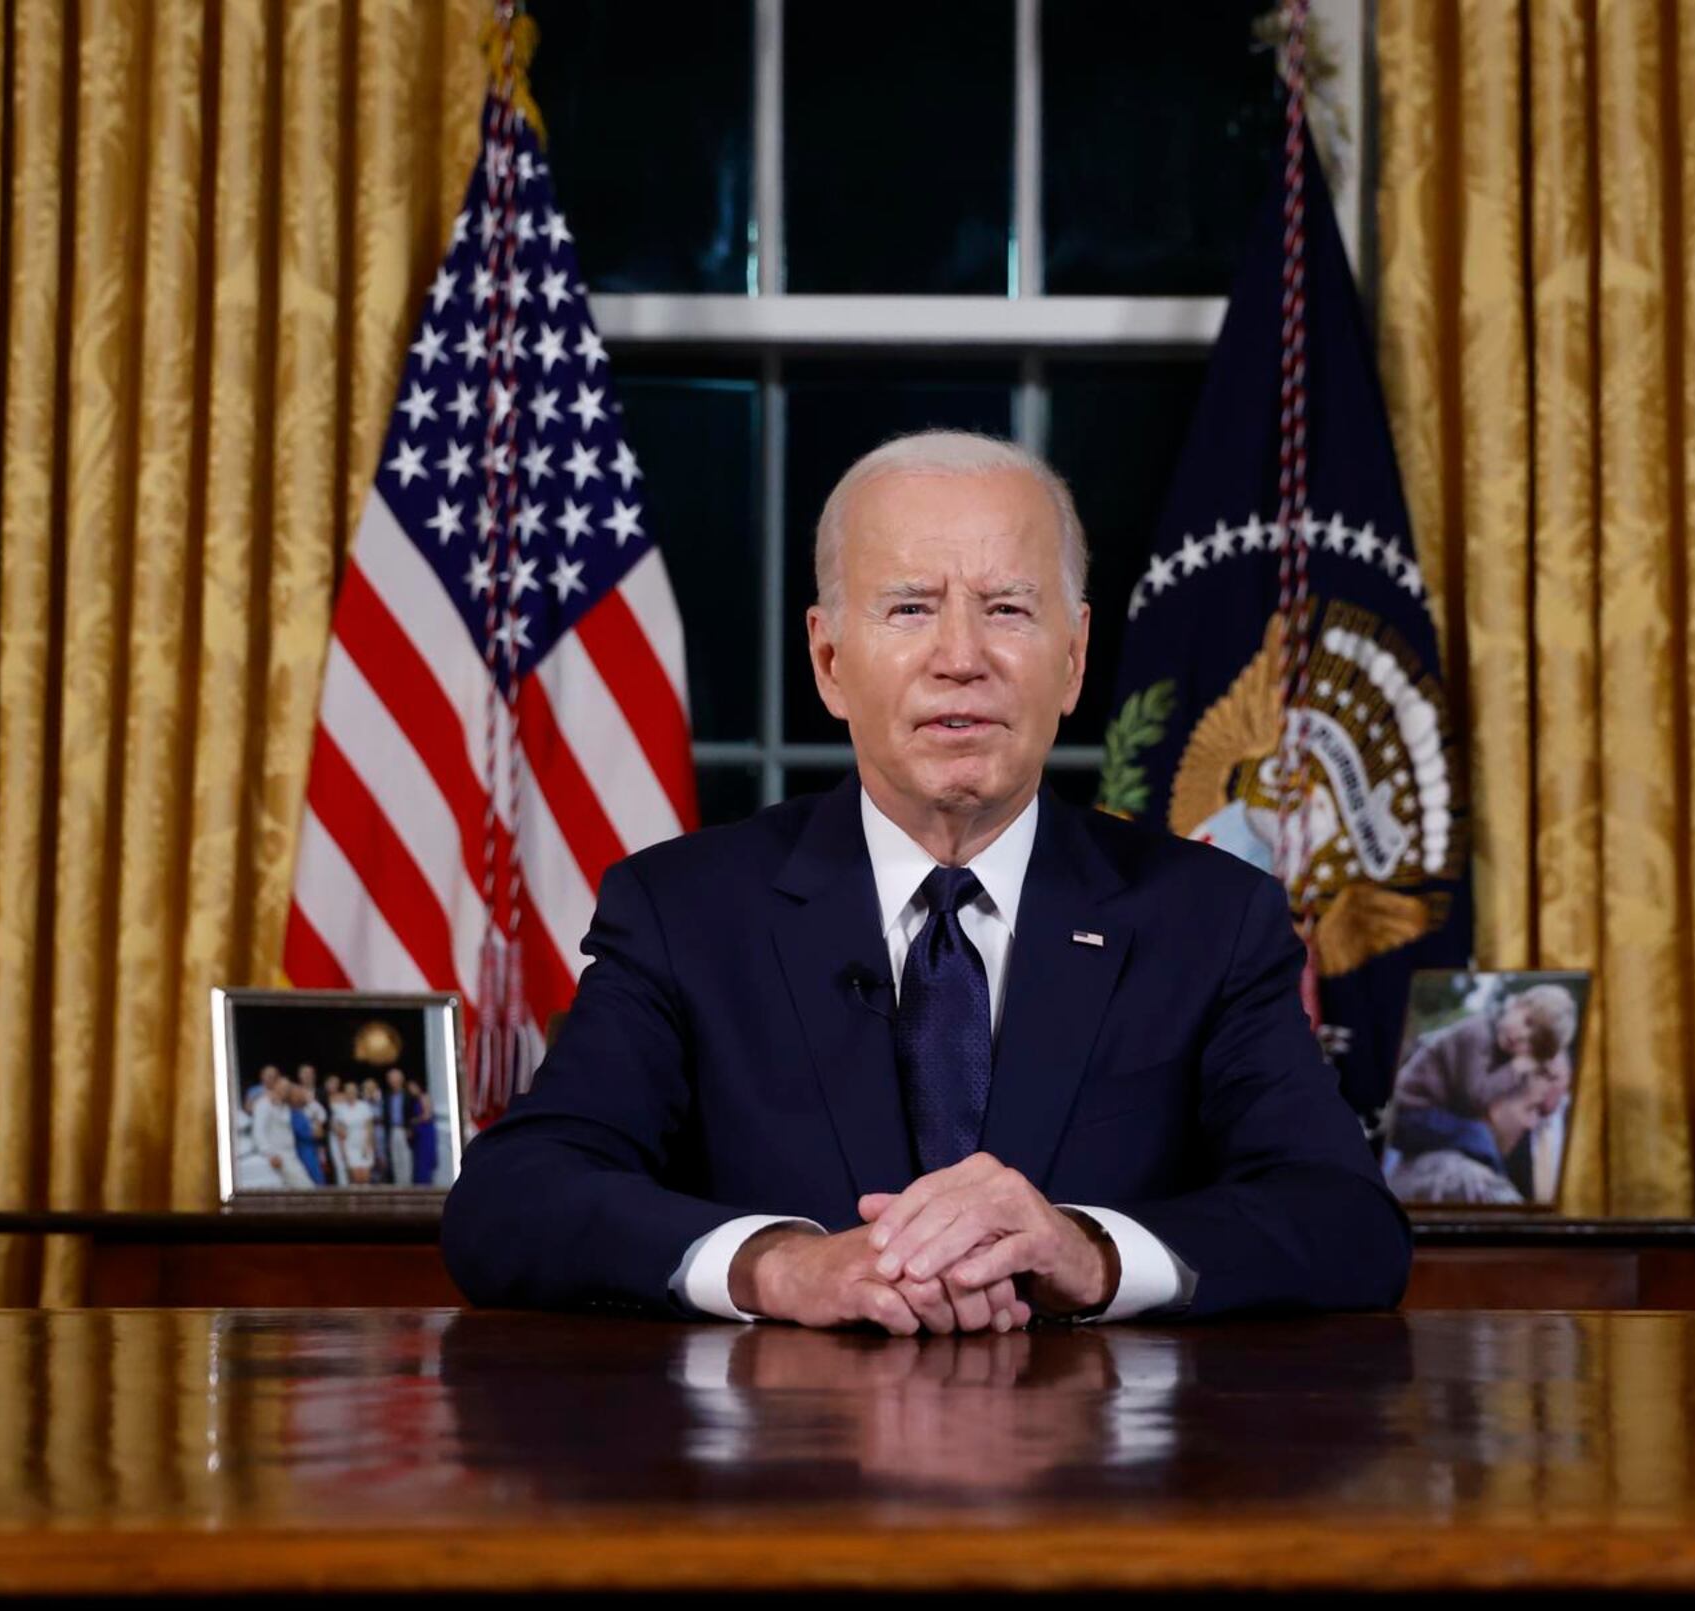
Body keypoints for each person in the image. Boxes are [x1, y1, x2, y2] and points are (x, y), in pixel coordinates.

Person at [442, 431, 1411, 1329]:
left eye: (1007, 610)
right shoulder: (685, 913)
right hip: (782, 1477)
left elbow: (1344, 1222)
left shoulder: (1209, 918)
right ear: (829, 661)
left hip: (1100, 1481)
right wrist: (779, 1267)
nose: (961, 659)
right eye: (910, 608)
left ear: (1071, 661)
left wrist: (1091, 1253)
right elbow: (514, 1197)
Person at [1381, 1054, 1555, 1206]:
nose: (1533, 1124)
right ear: (1495, 1102)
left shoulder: (1402, 1166)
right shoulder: (1476, 1186)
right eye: (1530, 1108)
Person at [250, 1066, 312, 1187]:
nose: (285, 1091)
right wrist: (270, 1154)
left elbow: (303, 1100)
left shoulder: (285, 1106)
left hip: (291, 1154)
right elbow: (258, 1131)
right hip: (278, 1155)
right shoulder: (264, 1103)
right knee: (305, 1186)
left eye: (287, 1089)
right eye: (283, 1087)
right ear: (276, 1086)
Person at [335, 1080, 379, 1186]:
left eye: (353, 1091)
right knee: (356, 1178)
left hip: (364, 1144)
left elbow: (369, 1127)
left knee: (365, 1177)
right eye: (348, 1092)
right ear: (345, 1093)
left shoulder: (364, 1106)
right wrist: (342, 1150)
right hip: (350, 1145)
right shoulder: (341, 1109)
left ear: (356, 1093)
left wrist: (368, 1145)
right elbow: (340, 1132)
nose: (351, 1094)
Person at [286, 1082, 327, 1189]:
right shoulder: (293, 1113)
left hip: (312, 1150)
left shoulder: (301, 1112)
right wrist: (317, 1124)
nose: (303, 1096)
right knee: (315, 1182)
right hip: (303, 1153)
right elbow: (316, 1134)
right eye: (300, 1094)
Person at [381, 1068, 417, 1187]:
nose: (393, 1082)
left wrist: (411, 1128)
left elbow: (414, 1113)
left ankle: (407, 1185)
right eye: (391, 1079)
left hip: (405, 1130)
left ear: (401, 1080)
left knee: (406, 1158)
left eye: (395, 1079)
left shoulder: (408, 1095)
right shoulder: (387, 1097)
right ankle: (398, 1186)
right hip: (392, 1130)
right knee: (395, 1158)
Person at [410, 1087, 441, 1188]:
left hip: (425, 1131)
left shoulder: (424, 1097)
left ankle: (426, 1183)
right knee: (419, 1158)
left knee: (425, 1157)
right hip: (420, 1133)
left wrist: (415, 1121)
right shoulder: (415, 1100)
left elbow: (427, 1115)